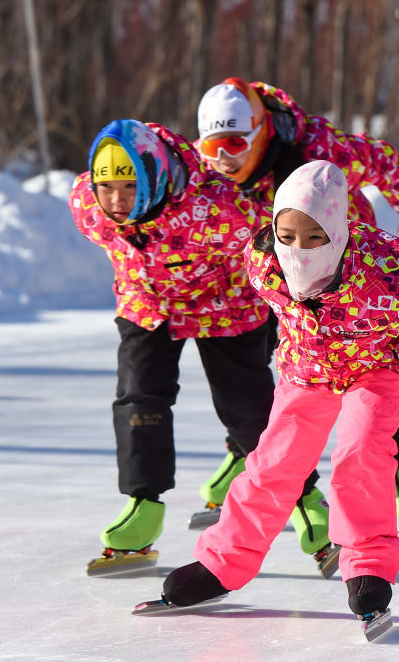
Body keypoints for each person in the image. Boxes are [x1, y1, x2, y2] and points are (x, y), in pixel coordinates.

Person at [152, 160, 399, 633]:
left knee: (361, 452)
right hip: (310, 366)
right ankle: (223, 562)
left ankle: (368, 567)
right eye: (287, 235)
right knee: (273, 462)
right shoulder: (263, 262)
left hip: (381, 364)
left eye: (314, 238)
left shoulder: (386, 270)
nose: (297, 249)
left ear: (337, 234)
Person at [191, 77, 399, 536]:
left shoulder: (316, 146)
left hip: (348, 276)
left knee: (361, 369)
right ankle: (246, 452)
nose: (223, 160)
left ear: (261, 130)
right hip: (278, 272)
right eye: (211, 148)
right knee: (282, 366)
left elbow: (382, 160)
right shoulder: (209, 171)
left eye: (233, 144)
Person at [69, 119, 302, 573]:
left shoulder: (218, 209)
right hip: (148, 303)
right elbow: (106, 214)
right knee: (139, 397)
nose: (115, 201)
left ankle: (304, 499)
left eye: (129, 185)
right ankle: (143, 506)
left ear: (155, 176)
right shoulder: (87, 205)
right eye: (107, 187)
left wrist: (291, 313)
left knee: (247, 408)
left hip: (224, 303)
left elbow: (276, 251)